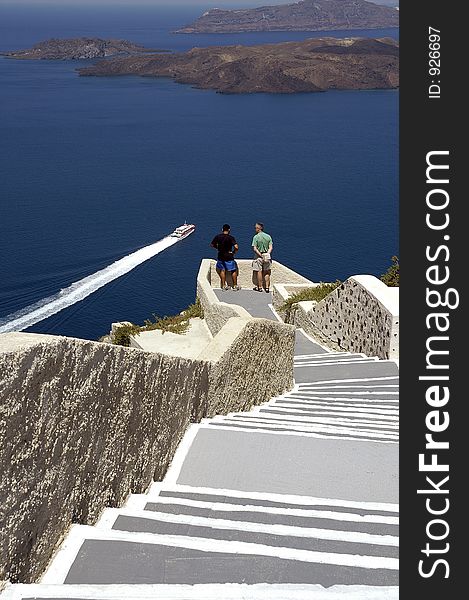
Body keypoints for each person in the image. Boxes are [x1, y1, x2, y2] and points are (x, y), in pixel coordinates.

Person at [210, 224, 240, 291]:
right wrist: (234, 252)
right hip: (229, 255)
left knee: (222, 270)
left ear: (222, 229)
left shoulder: (218, 237)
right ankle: (235, 286)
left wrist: (218, 248)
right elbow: (236, 247)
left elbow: (212, 244)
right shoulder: (231, 238)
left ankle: (223, 286)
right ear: (229, 230)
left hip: (220, 255)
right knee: (233, 270)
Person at [252, 222, 273, 293]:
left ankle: (260, 287)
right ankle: (267, 288)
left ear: (259, 228)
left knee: (259, 271)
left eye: (256, 227)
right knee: (267, 272)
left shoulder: (256, 237)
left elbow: (255, 248)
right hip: (267, 257)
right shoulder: (268, 236)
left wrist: (261, 255)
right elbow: (271, 247)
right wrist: (267, 254)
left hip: (259, 257)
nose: (255, 229)